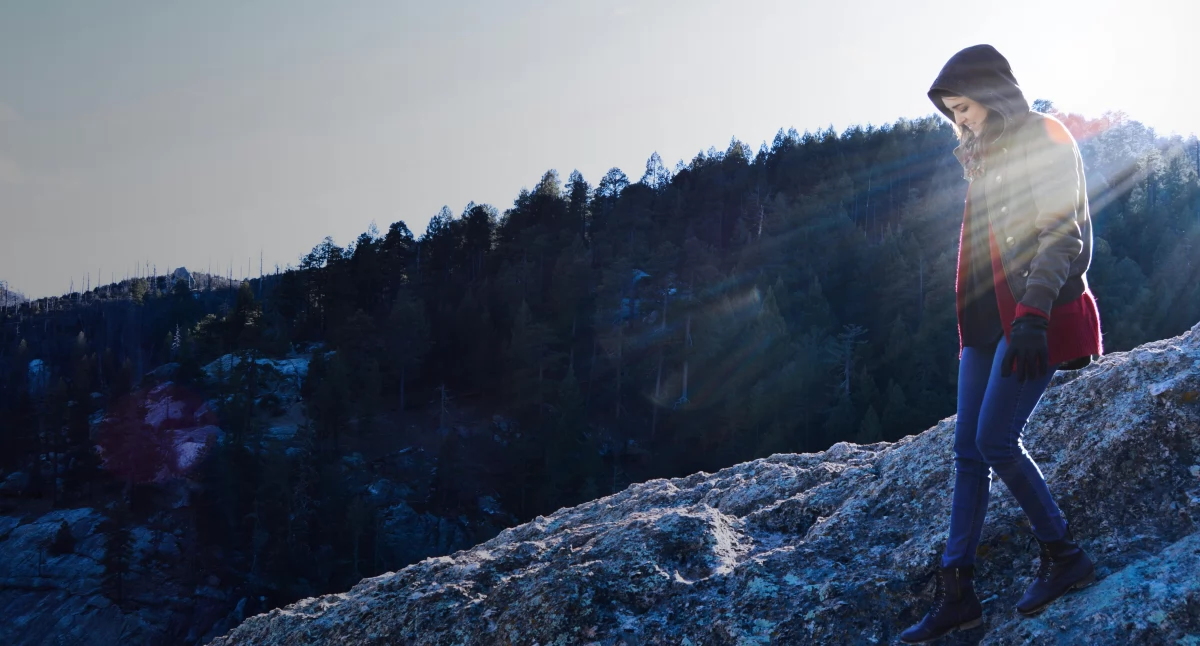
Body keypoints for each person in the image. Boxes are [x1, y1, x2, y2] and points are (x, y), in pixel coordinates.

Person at [899, 44, 1104, 643]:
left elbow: (1060, 232)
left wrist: (1034, 314)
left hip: (1033, 317)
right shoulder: (982, 152)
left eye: (964, 107)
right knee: (966, 451)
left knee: (995, 441)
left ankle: (1065, 555)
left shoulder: (1046, 134)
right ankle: (957, 594)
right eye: (952, 113)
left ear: (989, 93)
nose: (959, 121)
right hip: (984, 325)